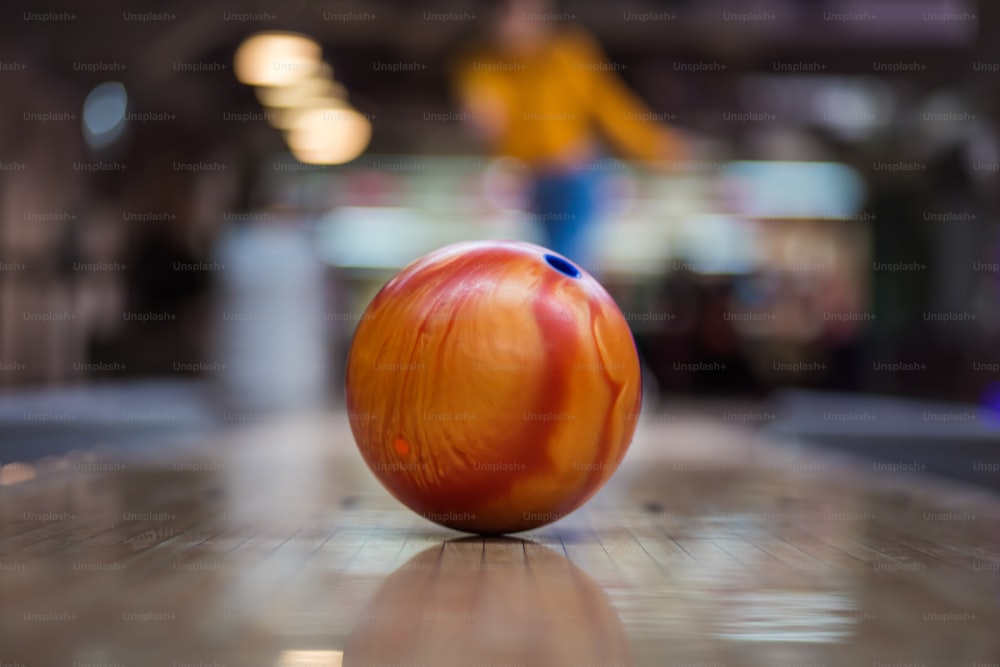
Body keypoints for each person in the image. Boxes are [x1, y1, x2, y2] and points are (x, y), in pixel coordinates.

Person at [452, 0, 688, 274]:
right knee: (530, 264)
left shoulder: (570, 53)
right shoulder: (480, 62)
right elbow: (483, 101)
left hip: (575, 177)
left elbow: (610, 107)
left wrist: (656, 145)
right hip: (526, 182)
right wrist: (481, 113)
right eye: (510, 13)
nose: (520, 22)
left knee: (568, 266)